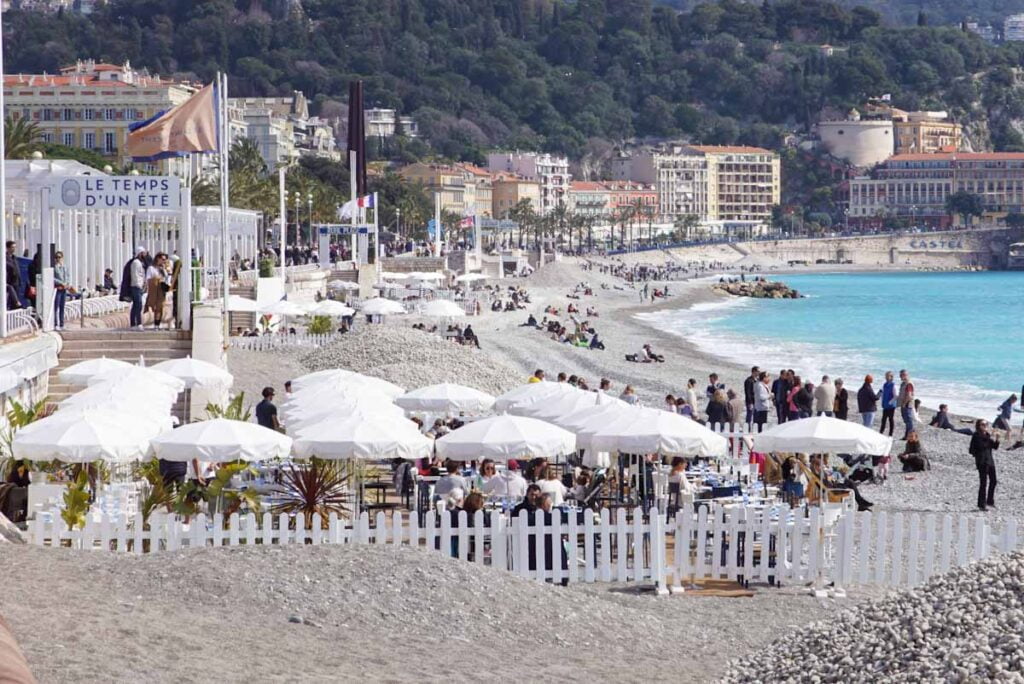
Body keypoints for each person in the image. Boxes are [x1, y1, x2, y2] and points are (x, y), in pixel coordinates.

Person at [969, 419, 1000, 511]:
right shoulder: (976, 435)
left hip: (990, 461)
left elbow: (994, 447)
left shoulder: (987, 435)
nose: (985, 426)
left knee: (993, 481)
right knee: (983, 483)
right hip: (982, 462)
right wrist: (989, 437)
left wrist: (997, 439)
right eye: (983, 424)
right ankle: (981, 504)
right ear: (979, 425)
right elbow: (982, 446)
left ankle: (990, 501)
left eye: (986, 424)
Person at [127, 246, 147, 329]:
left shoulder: (140, 262)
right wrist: (139, 285)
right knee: (138, 304)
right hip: (136, 286)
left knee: (136, 304)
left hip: (139, 286)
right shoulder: (136, 262)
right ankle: (137, 323)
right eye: (143, 253)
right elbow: (135, 275)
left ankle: (134, 323)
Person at [898, 369, 915, 440]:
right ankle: (907, 436)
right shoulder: (903, 384)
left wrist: (904, 404)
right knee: (906, 421)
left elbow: (909, 396)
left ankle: (911, 436)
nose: (900, 377)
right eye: (900, 375)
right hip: (903, 405)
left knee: (909, 421)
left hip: (907, 405)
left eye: (902, 375)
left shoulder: (908, 384)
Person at [53, 251, 68, 330]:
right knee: (56, 306)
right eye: (57, 257)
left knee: (62, 306)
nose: (58, 259)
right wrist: (61, 283)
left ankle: (62, 324)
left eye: (60, 257)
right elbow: (53, 278)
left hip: (64, 289)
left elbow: (67, 276)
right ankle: (56, 324)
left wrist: (66, 283)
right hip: (58, 288)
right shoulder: (54, 267)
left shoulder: (64, 267)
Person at [5, 240, 21, 310]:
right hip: (10, 282)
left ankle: (15, 318)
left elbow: (17, 270)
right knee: (10, 301)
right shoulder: (5, 258)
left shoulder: (14, 258)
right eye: (12, 247)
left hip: (16, 282)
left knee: (15, 302)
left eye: (15, 247)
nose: (14, 249)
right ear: (8, 248)